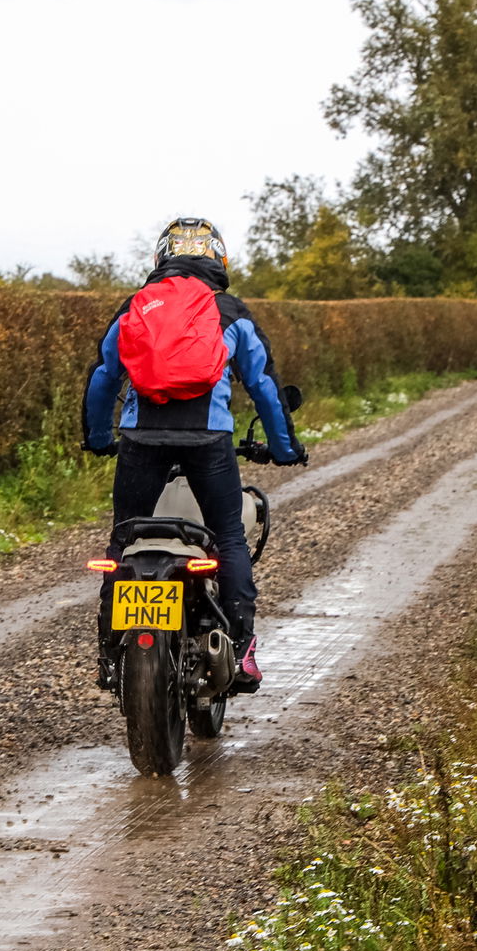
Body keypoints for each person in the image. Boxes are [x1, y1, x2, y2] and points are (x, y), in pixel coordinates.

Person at [82, 217, 306, 692]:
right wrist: (285, 449)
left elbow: (104, 379)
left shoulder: (135, 309)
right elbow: (263, 386)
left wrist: (100, 438)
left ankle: (108, 651)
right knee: (228, 537)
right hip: (209, 442)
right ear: (219, 259)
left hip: (141, 441)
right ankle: (242, 650)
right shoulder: (230, 313)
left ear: (160, 258)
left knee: (124, 540)